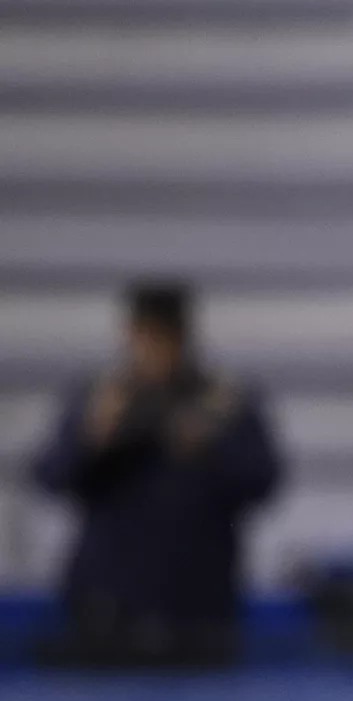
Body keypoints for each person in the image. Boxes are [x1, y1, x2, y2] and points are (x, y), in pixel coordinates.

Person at [30, 281, 281, 665]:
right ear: (129, 336)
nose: (154, 351)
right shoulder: (100, 400)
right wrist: (93, 439)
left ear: (184, 337)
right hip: (107, 614)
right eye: (145, 337)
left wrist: (210, 447)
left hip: (199, 614)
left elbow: (263, 483)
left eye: (164, 338)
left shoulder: (223, 403)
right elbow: (50, 478)